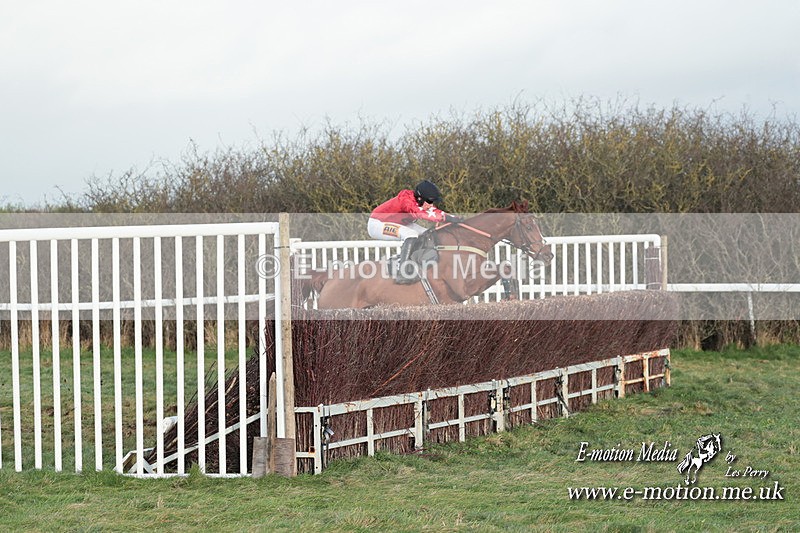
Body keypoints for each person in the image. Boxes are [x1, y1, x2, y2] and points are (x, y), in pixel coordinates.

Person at [368, 180, 461, 283]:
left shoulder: (420, 202)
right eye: (429, 202)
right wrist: (445, 218)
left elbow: (434, 212)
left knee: (427, 233)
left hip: (400, 222)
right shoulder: (406, 201)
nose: (431, 205)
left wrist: (455, 218)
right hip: (377, 223)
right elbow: (419, 213)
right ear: (420, 198)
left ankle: (414, 261)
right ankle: (402, 272)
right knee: (410, 234)